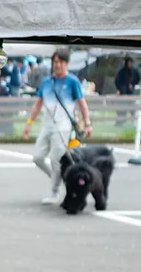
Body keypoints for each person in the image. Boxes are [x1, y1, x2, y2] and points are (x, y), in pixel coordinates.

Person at [22, 49, 92, 205]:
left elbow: (82, 104)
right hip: (47, 124)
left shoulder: (72, 82)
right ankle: (57, 178)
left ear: (66, 63)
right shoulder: (47, 82)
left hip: (63, 127)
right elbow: (38, 104)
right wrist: (29, 123)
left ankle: (54, 192)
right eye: (55, 62)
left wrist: (87, 123)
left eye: (60, 62)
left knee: (56, 159)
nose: (57, 65)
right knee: (38, 157)